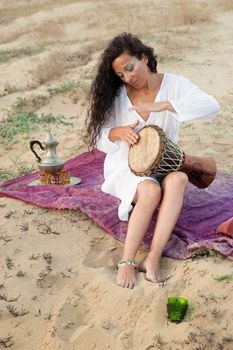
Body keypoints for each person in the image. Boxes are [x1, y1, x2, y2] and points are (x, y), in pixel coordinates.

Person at [86, 33, 220, 289]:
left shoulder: (175, 84)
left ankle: (153, 257)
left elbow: (211, 105)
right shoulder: (117, 97)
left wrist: (164, 106)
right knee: (150, 190)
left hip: (164, 163)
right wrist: (118, 132)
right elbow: (100, 138)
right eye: (121, 75)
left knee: (179, 178)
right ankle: (127, 260)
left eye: (130, 68)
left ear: (144, 58)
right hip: (127, 166)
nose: (128, 78)